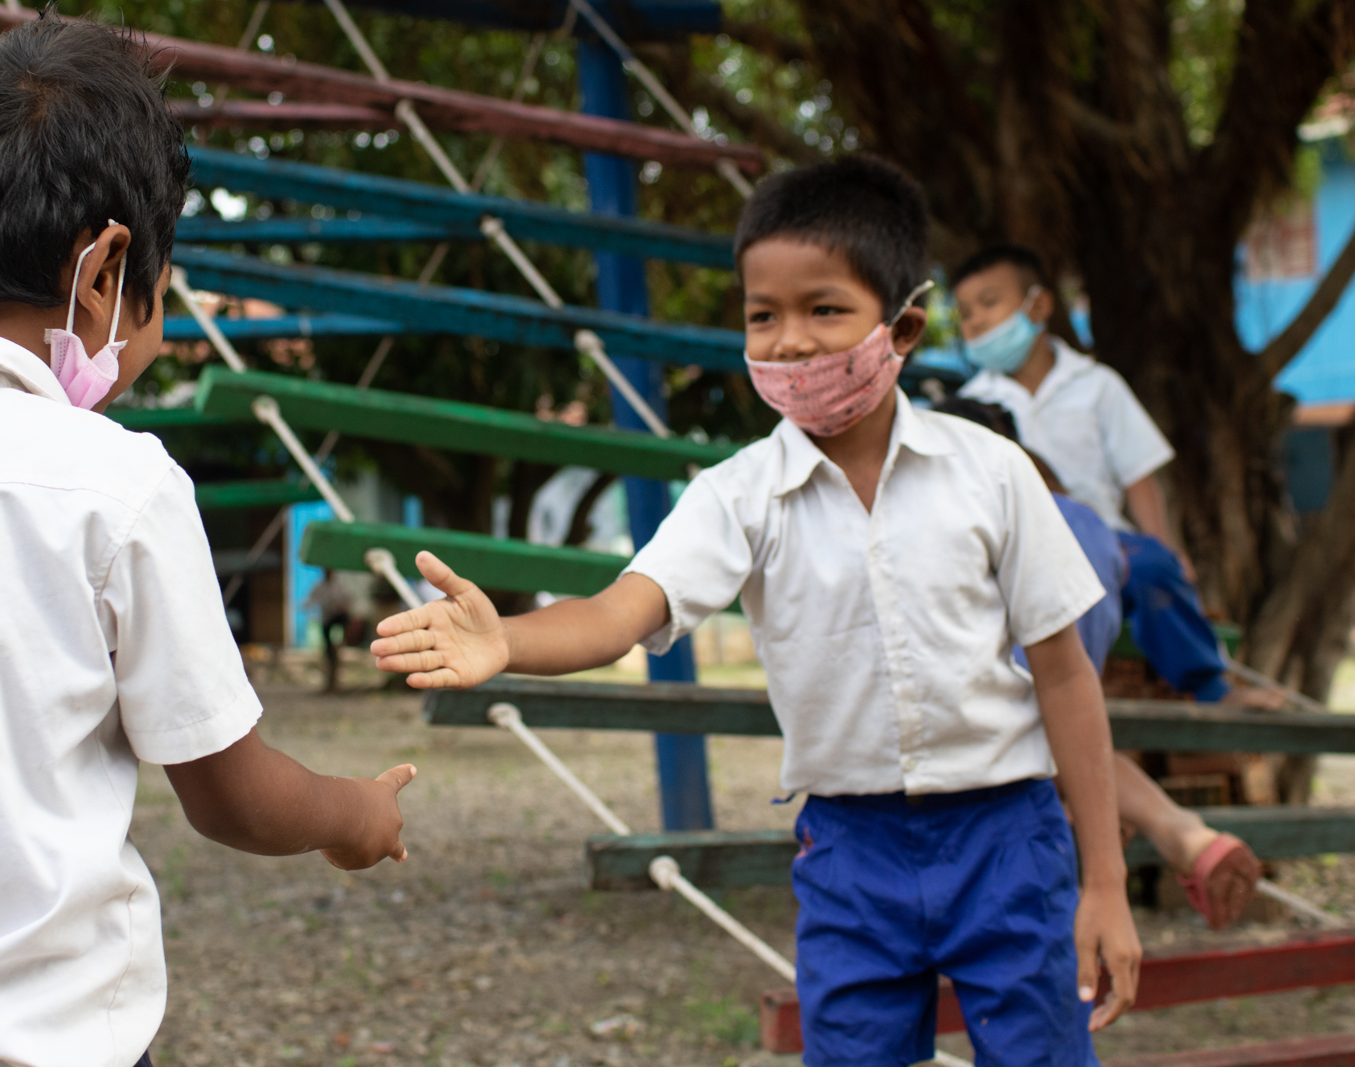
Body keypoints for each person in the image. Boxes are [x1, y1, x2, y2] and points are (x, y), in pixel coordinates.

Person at [371, 156, 1140, 1066]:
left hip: (1007, 833)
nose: (789, 342)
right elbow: (622, 610)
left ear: (902, 327)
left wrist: (1107, 880)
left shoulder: (993, 473)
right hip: (850, 852)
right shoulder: (739, 495)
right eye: (761, 315)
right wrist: (509, 641)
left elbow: (1064, 673)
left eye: (825, 310)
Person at [0, 18, 413, 1067]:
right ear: (105, 271)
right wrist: (352, 812)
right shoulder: (119, 483)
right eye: (160, 298)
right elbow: (232, 793)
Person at [936, 399, 1262, 931]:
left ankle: (1131, 830)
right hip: (1081, 654)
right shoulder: (1087, 519)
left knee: (1029, 741)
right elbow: (1155, 568)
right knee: (1070, 736)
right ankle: (1180, 830)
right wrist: (1208, 679)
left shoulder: (970, 505)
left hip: (1003, 684)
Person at [952, 245, 1247, 705]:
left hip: (1106, 540)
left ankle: (1208, 683)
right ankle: (1036, 699)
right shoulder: (968, 406)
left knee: (1154, 567)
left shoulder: (1097, 385)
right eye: (965, 313)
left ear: (1039, 305)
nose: (976, 322)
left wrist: (1166, 545)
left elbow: (1139, 474)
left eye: (989, 303)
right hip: (1016, 549)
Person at [306, 571, 355, 692]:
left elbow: (347, 599)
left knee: (336, 654)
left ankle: (336, 683)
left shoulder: (339, 586)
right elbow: (311, 601)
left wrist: (343, 607)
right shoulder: (320, 587)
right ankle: (329, 684)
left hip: (337, 619)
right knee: (328, 653)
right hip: (327, 620)